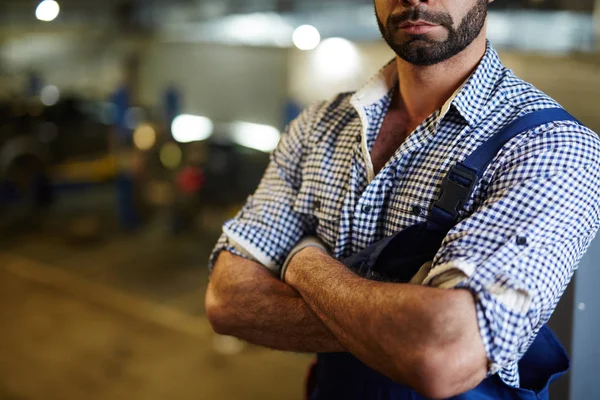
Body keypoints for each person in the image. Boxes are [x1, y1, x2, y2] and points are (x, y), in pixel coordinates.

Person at [206, 0, 600, 398]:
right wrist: (404, 323)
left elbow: (442, 353)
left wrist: (303, 263)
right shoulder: (317, 127)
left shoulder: (553, 146)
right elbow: (227, 300)